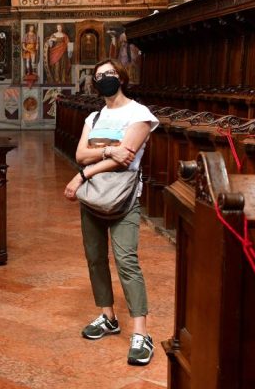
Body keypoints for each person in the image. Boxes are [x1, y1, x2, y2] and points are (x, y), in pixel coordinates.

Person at [63, 58, 159, 366]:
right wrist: (107, 149)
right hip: (93, 199)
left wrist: (84, 174)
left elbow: (126, 156)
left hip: (122, 197)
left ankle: (141, 333)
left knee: (126, 260)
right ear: (95, 82)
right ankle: (107, 316)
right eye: (100, 75)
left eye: (111, 74)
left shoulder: (139, 113)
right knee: (94, 257)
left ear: (122, 78)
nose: (106, 78)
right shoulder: (94, 116)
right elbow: (81, 153)